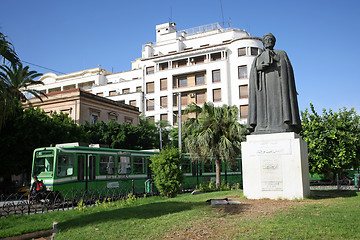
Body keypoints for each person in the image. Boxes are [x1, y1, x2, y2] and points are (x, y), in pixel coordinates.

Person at [247, 33, 302, 134]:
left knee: (280, 105)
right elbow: (252, 74)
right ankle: (262, 125)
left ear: (274, 42)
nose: (268, 42)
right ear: (263, 43)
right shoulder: (258, 57)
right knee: (262, 107)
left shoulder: (281, 53)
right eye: (266, 40)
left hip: (278, 86)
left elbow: (287, 69)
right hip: (262, 89)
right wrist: (259, 68)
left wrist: (276, 59)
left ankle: (283, 124)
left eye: (270, 40)